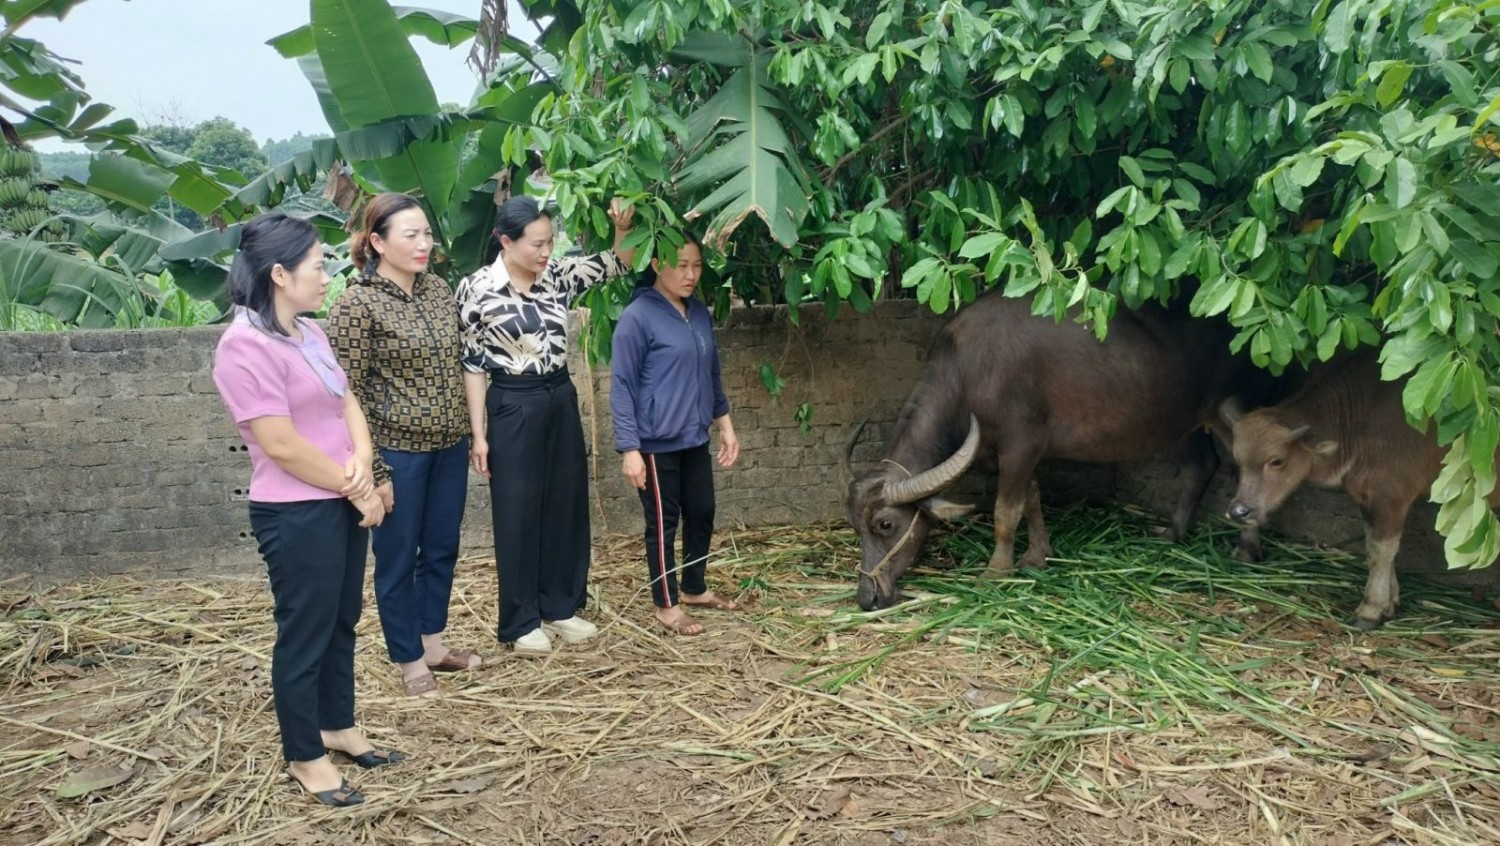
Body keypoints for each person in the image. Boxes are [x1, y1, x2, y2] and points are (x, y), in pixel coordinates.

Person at [211, 213, 402, 808]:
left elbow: (348, 401)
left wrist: (365, 462)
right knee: (306, 632)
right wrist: (357, 490)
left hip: (343, 499)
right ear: (278, 273)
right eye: (318, 265)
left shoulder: (309, 333)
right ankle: (304, 753)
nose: (327, 275)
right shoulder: (242, 347)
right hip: (296, 512)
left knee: (342, 619)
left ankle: (337, 724)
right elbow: (281, 444)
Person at [457, 195, 636, 656]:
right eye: (536, 244)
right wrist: (479, 434)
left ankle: (560, 606)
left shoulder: (555, 276)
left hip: (559, 394)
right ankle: (519, 621)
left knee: (564, 501)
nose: (545, 252)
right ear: (505, 241)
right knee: (517, 510)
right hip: (512, 401)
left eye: (550, 242)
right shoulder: (476, 288)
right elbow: (472, 363)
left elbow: (618, 262)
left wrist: (621, 227)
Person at [327, 193, 478, 699]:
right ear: (376, 241)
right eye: (410, 235)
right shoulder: (357, 304)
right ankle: (409, 658)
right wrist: (379, 473)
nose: (423, 244)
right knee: (397, 558)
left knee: (440, 548)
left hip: (448, 446)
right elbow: (348, 393)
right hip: (398, 453)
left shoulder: (438, 290)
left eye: (426, 234)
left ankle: (432, 641)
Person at [608, 232, 741, 636]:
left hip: (693, 437)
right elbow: (622, 385)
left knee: (702, 511)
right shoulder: (638, 316)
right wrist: (629, 448)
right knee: (664, 523)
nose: (690, 274)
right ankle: (665, 606)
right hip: (654, 443)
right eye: (681, 265)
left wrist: (726, 426)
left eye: (697, 266)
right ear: (655, 265)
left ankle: (694, 588)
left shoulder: (698, 312)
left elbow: (711, 374)